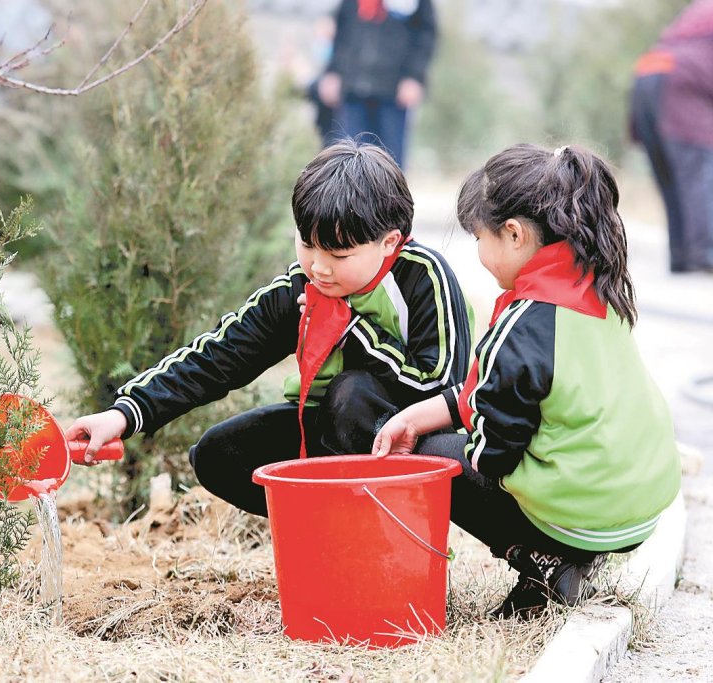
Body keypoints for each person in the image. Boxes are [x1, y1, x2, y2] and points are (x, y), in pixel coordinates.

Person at [67, 139, 473, 517]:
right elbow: (218, 356)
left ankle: (379, 525)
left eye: (339, 254)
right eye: (307, 244)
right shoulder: (301, 287)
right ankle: (323, 525)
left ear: (389, 242)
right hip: (323, 434)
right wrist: (123, 414)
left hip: (405, 445)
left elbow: (442, 386)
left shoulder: (423, 277)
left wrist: (349, 330)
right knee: (216, 454)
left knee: (352, 394)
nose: (318, 266)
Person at [374, 144, 682, 618]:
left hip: (583, 517)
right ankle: (570, 555)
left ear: (513, 235)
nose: (477, 250)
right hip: (638, 515)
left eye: (479, 236)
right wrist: (420, 414)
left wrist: (447, 440)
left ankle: (543, 561)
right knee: (452, 435)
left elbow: (494, 455)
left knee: (433, 456)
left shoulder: (524, 323)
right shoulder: (595, 283)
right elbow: (495, 387)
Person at [629, 0, 713, 273]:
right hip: (681, 78)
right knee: (699, 169)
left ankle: (682, 257)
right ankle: (703, 255)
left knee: (671, 174)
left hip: (649, 70)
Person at [317, 0, 436, 168]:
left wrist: (414, 77)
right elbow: (342, 29)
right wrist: (333, 72)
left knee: (389, 163)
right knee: (348, 160)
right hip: (353, 88)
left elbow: (426, 34)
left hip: (393, 91)